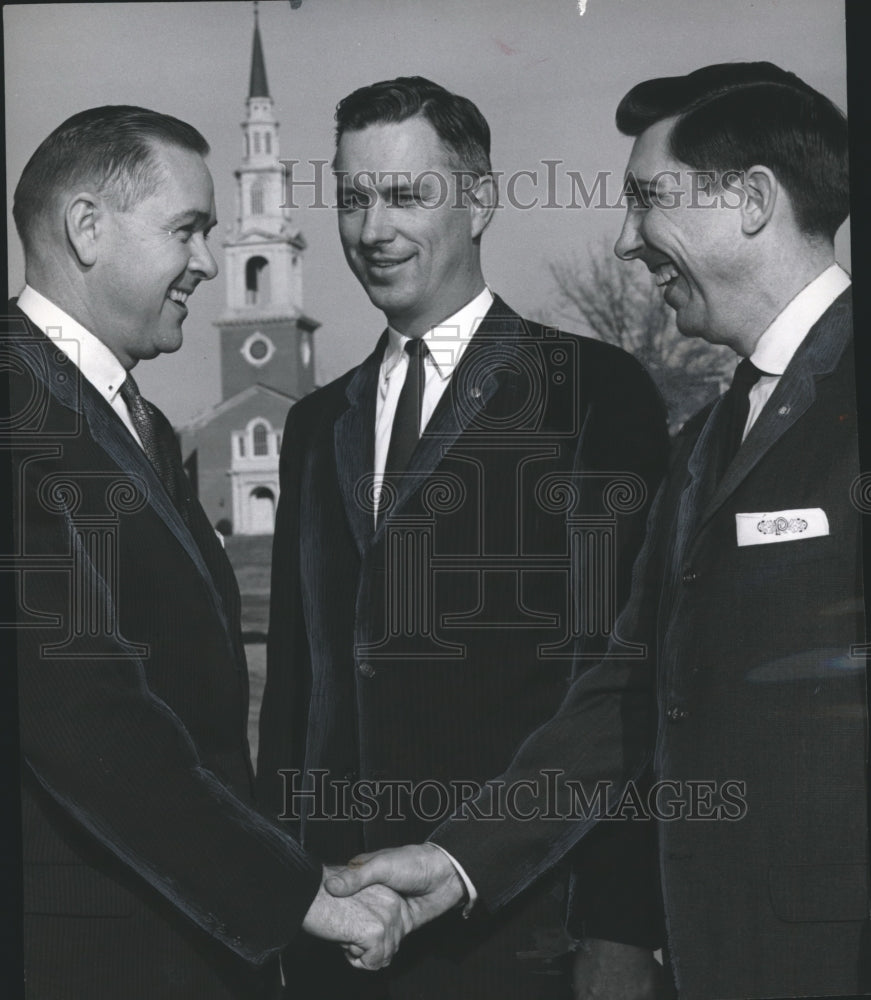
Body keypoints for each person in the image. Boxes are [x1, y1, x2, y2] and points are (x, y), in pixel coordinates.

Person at [327, 62, 870, 1000]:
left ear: (750, 201)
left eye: (646, 203)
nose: (625, 243)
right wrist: (455, 868)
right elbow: (627, 696)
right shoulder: (708, 434)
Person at [256, 77, 670, 998]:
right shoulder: (313, 423)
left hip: (522, 937)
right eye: (354, 198)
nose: (372, 229)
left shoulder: (590, 391)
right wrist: (283, 901)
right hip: (337, 933)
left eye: (406, 196)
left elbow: (628, 687)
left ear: (479, 202)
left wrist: (619, 928)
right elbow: (294, 689)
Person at [7, 105, 412, 1000]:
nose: (203, 261)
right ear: (85, 229)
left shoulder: (135, 418)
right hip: (94, 950)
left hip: (175, 934)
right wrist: (297, 896)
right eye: (187, 230)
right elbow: (85, 716)